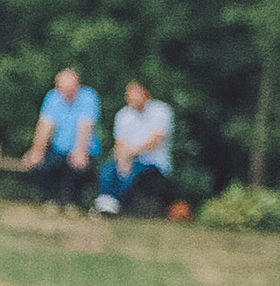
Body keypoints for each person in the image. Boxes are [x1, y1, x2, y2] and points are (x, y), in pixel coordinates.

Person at [23, 64, 100, 208]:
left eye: (68, 87)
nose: (64, 91)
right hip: (59, 148)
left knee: (79, 165)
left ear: (77, 85)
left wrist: (80, 151)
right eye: (61, 87)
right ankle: (50, 200)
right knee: (38, 163)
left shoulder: (88, 97)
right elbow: (44, 126)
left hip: (84, 149)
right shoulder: (53, 97)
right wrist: (37, 150)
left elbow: (85, 127)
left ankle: (74, 202)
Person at [97, 76, 175, 217]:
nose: (129, 97)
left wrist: (131, 153)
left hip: (153, 164)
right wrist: (122, 160)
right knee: (108, 170)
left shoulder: (161, 111)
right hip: (128, 159)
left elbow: (155, 141)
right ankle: (106, 204)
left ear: (144, 93)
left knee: (133, 175)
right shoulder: (123, 115)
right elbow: (119, 143)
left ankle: (116, 205)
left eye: (133, 93)